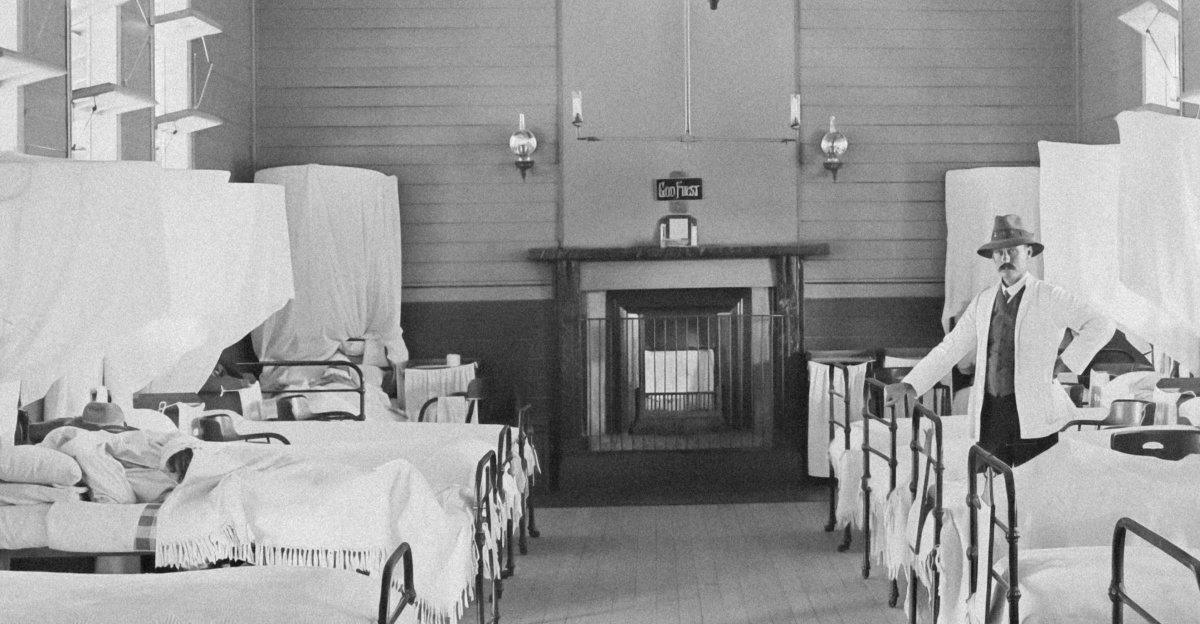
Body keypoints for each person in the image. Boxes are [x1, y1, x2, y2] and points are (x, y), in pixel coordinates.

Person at [885, 214, 1115, 467]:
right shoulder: (983, 302)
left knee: (1032, 490)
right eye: (999, 253)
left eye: (1012, 251)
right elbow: (951, 347)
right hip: (992, 413)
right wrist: (910, 385)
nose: (1005, 258)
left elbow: (1102, 324)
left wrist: (1067, 363)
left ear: (1028, 252)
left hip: (1034, 413)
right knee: (988, 493)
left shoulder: (1049, 297)